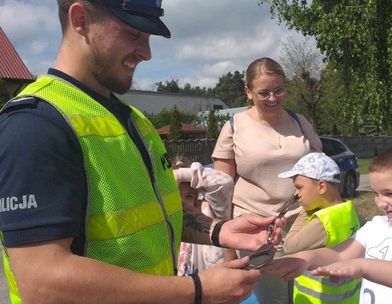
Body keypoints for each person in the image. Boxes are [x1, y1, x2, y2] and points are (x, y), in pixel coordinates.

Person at [0, 1, 284, 304]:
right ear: (80, 19)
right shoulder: (35, 125)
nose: (146, 52)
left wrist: (221, 231)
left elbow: (155, 216)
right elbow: (41, 282)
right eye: (133, 33)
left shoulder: (135, 121)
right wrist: (197, 289)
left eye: (148, 37)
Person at [265, 143, 392, 304]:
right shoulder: (376, 226)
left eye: (390, 194)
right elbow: (338, 254)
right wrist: (304, 258)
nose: (380, 203)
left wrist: (362, 266)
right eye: (376, 194)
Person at [212, 57, 323, 303]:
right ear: (248, 91)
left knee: (310, 297)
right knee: (274, 300)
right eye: (263, 93)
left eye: (278, 90)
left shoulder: (300, 122)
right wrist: (227, 248)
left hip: (306, 227)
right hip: (257, 235)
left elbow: (321, 172)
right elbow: (219, 194)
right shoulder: (234, 127)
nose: (272, 98)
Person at [278, 152, 361, 303]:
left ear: (321, 186)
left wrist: (305, 211)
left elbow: (289, 247)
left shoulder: (322, 222)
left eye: (299, 188)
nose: (296, 194)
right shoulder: (348, 209)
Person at [174, 161, 234, 275]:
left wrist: (180, 174)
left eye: (189, 196)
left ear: (196, 200)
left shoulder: (204, 217)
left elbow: (224, 183)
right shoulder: (160, 224)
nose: (181, 202)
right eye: (176, 195)